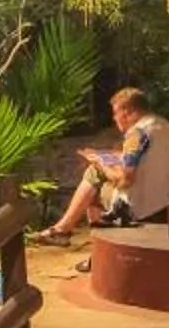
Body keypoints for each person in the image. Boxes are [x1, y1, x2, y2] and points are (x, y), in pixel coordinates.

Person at [39, 86, 161, 243]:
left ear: (127, 112)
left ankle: (68, 232)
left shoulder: (136, 133)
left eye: (115, 113)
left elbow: (125, 180)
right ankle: (65, 230)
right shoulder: (160, 126)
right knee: (96, 174)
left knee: (93, 182)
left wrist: (100, 164)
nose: (114, 118)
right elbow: (143, 159)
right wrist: (106, 156)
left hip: (144, 203)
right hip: (165, 197)